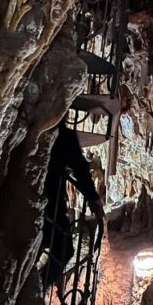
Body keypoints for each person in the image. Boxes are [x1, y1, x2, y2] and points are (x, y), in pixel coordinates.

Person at [42, 123, 106, 289]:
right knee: (63, 250)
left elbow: (80, 168)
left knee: (36, 249)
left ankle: (28, 287)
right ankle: (35, 287)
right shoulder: (63, 136)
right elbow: (80, 169)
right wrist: (94, 199)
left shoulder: (54, 133)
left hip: (46, 201)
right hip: (51, 202)